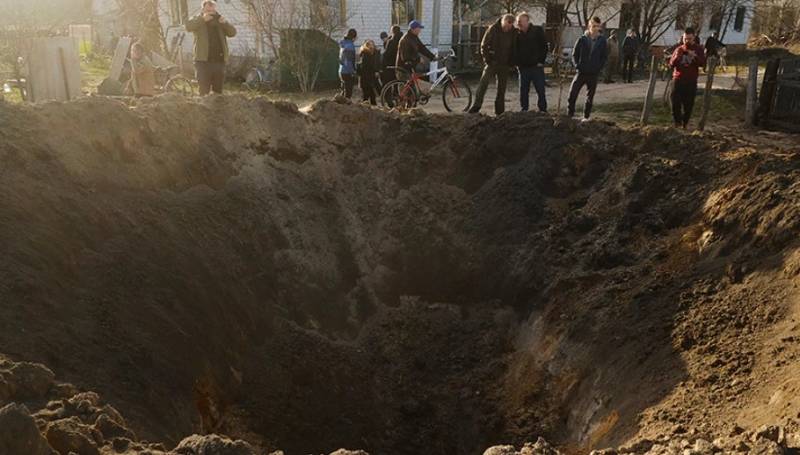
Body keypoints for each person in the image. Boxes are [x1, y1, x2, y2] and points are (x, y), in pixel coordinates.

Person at [185, 0, 237, 95]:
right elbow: (188, 26)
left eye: (212, 9)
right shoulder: (198, 19)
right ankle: (204, 109)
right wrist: (202, 19)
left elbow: (233, 33)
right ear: (203, 9)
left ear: (215, 8)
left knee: (218, 92)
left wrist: (225, 23)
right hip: (203, 62)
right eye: (208, 10)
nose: (210, 12)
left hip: (219, 62)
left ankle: (218, 109)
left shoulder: (220, 19)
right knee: (204, 91)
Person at [468, 14, 517, 115]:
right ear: (503, 21)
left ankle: (499, 111)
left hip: (505, 64)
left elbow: (515, 47)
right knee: (483, 84)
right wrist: (488, 60)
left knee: (501, 89)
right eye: (506, 26)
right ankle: (476, 106)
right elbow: (484, 45)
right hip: (492, 62)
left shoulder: (513, 32)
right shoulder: (493, 29)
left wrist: (512, 61)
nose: (507, 28)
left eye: (510, 26)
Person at [567, 16, 608, 121]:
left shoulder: (602, 41)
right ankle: (570, 115)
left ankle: (586, 117)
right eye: (593, 26)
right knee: (572, 94)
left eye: (597, 26)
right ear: (589, 26)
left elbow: (604, 57)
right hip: (581, 72)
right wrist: (577, 65)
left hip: (593, 73)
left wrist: (598, 68)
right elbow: (574, 54)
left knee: (590, 97)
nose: (595, 28)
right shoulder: (582, 39)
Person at [669, 27, 707, 129]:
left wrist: (693, 56)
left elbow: (702, 63)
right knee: (674, 102)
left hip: (690, 81)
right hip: (678, 79)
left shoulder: (698, 49)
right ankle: (677, 122)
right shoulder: (679, 49)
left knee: (688, 104)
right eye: (685, 39)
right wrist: (677, 56)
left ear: (693, 38)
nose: (686, 41)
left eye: (689, 39)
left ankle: (685, 123)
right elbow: (671, 64)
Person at [514, 12, 548, 112]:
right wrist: (517, 63)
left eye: (520, 21)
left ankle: (542, 110)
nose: (518, 23)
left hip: (536, 66)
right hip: (523, 67)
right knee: (523, 91)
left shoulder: (537, 30)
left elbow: (544, 47)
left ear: (527, 21)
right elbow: (515, 49)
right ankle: (524, 110)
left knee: (540, 89)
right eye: (518, 21)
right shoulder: (517, 34)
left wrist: (541, 61)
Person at [358, 40, 381, 105]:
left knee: (370, 95)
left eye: (372, 45)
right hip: (366, 77)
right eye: (370, 45)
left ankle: (368, 107)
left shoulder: (373, 53)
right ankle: (366, 107)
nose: (372, 46)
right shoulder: (365, 54)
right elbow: (366, 67)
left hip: (369, 77)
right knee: (368, 94)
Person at [339, 28, 358, 99]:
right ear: (354, 37)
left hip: (341, 70)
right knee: (348, 93)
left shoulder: (343, 43)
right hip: (347, 71)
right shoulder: (350, 46)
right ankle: (345, 107)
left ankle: (340, 106)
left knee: (343, 91)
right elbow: (349, 61)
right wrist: (352, 71)